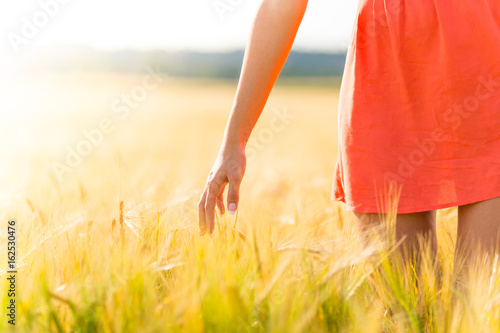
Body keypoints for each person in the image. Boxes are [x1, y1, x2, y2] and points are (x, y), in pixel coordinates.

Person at [198, 0, 500, 274]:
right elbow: (281, 5)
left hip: (488, 78)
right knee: (405, 315)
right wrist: (233, 140)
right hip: (383, 95)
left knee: (480, 311)